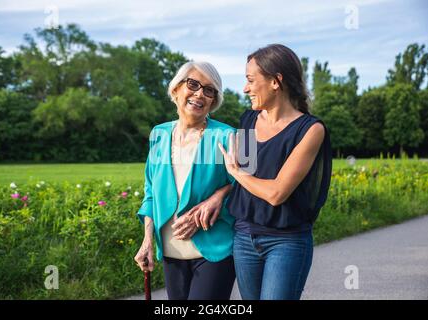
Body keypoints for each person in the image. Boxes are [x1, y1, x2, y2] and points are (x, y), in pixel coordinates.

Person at [219, 44, 332, 300]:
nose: (245, 88)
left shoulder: (310, 130)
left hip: (287, 242)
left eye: (250, 80)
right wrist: (220, 195)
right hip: (244, 237)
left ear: (275, 81)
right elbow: (245, 181)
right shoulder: (248, 120)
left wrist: (235, 172)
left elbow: (276, 193)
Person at [134, 61, 236, 300]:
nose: (200, 93)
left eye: (209, 90)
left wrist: (218, 197)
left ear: (213, 100)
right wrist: (147, 240)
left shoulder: (227, 135)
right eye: (193, 84)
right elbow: (151, 193)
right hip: (170, 254)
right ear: (176, 89)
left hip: (214, 252)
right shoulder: (159, 134)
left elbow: (249, 188)